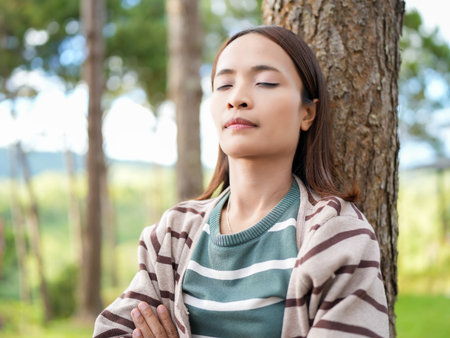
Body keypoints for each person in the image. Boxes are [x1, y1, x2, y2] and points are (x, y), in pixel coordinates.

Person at [93, 25, 389, 338]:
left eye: (265, 82)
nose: (237, 98)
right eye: (223, 85)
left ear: (307, 113)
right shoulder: (173, 234)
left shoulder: (335, 234)